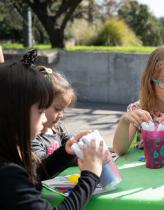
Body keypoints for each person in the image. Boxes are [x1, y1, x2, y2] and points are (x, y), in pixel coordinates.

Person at [0, 50, 107, 210]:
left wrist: (63, 153)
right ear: (16, 112)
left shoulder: (11, 159)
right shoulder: (7, 175)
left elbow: (34, 179)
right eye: (41, 111)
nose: (44, 120)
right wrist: (90, 176)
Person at [32, 66, 76, 160]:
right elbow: (42, 163)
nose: (61, 115)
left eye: (63, 110)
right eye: (57, 109)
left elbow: (69, 141)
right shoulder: (33, 137)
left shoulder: (57, 128)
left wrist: (81, 143)